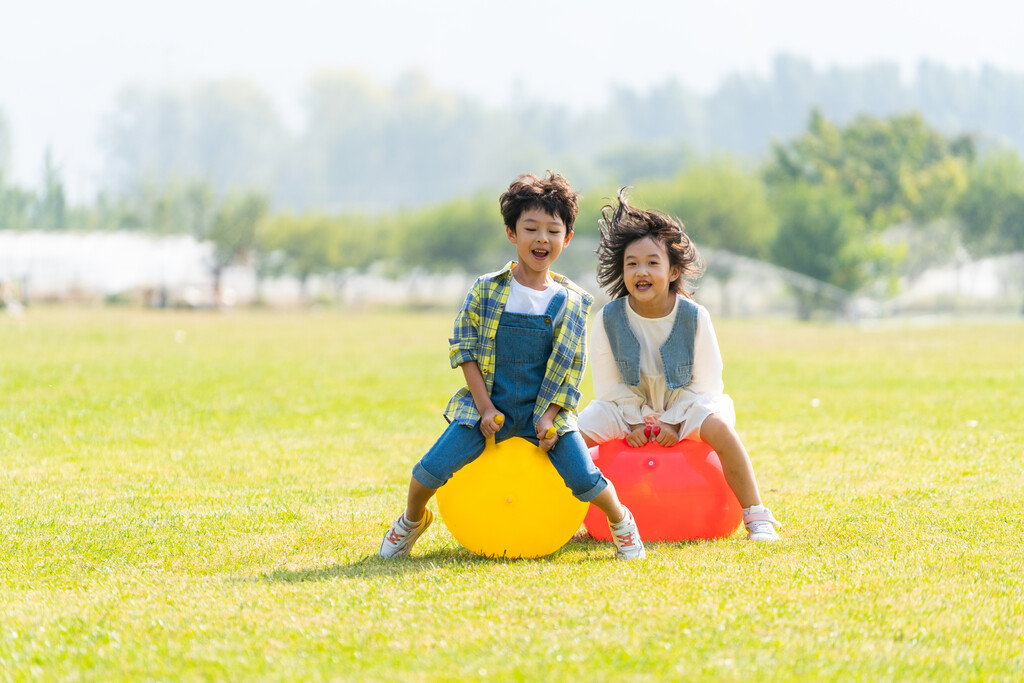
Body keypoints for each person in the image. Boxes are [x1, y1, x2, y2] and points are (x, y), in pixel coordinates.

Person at [379, 172, 646, 560]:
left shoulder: (572, 302)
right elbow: (465, 349)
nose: (542, 239)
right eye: (531, 228)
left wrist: (549, 418)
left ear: (567, 238)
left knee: (585, 478)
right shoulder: (486, 288)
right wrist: (485, 408)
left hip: (544, 412)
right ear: (511, 233)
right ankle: (411, 521)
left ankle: (622, 523)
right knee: (427, 471)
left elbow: (570, 369)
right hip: (487, 406)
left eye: (553, 230)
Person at [578, 190, 781, 541]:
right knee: (571, 436)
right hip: (624, 406)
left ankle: (756, 514)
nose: (641, 271)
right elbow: (609, 387)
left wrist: (673, 422)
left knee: (720, 429)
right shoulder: (608, 319)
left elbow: (707, 384)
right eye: (632, 263)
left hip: (686, 405)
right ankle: (559, 512)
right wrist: (635, 421)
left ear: (672, 271)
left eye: (652, 263)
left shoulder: (694, 317)